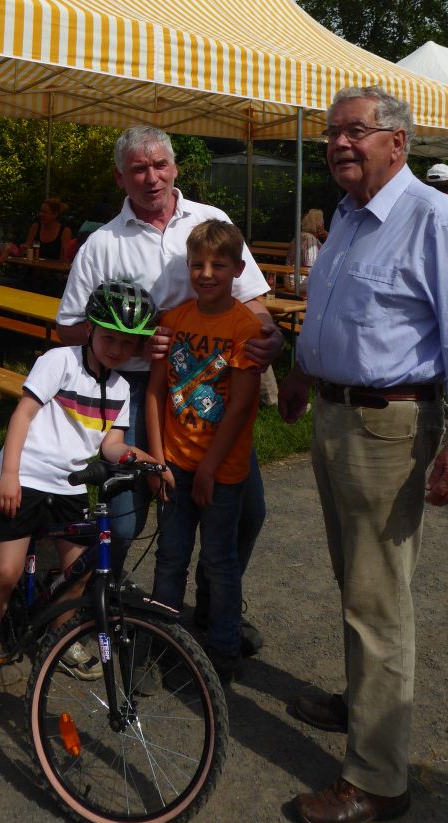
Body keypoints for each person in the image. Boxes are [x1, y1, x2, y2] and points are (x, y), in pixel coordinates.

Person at [278, 85, 448, 823]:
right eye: (332, 132)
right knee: (355, 581)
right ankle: (364, 705)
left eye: (354, 131)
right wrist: (302, 372)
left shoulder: (437, 221)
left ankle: (377, 778)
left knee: (377, 599)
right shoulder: (350, 218)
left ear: (398, 141)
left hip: (388, 427)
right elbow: (336, 314)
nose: (338, 143)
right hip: (335, 416)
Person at [56, 125, 283, 654]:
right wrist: (131, 339)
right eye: (138, 168)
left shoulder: (211, 221)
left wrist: (269, 333)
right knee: (127, 519)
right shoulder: (103, 243)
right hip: (137, 387)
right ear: (121, 178)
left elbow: (252, 298)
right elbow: (67, 327)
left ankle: (214, 603)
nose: (151, 177)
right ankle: (114, 610)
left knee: (248, 511)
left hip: (215, 387)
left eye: (159, 164)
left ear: (175, 167)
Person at [0, 279, 162, 729]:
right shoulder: (59, 361)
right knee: (5, 572)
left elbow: (110, 445)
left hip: (70, 485)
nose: (117, 349)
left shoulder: (121, 387)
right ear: (90, 329)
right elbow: (22, 414)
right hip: (26, 475)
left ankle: (59, 636)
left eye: (128, 342)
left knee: (79, 572)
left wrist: (143, 460)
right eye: (110, 337)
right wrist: (9, 472)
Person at [147, 220, 261, 682]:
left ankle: (222, 651)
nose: (207, 274)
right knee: (170, 556)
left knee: (218, 561)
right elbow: (155, 392)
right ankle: (161, 642)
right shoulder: (174, 321)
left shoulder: (245, 327)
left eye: (218, 265)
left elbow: (240, 407)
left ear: (238, 269)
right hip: (174, 464)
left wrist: (210, 468)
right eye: (197, 265)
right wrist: (158, 460)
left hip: (223, 471)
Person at [285, 208, 325, 291]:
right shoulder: (310, 239)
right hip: (300, 281)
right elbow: (311, 264)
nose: (323, 226)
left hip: (290, 279)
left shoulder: (300, 236)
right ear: (318, 225)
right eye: (322, 223)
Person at [22, 197, 72, 261]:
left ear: (55, 214)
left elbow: (64, 258)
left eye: (45, 212)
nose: (41, 214)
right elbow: (27, 248)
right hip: (34, 266)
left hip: (54, 267)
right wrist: (24, 249)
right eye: (41, 211)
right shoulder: (35, 227)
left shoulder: (65, 231)